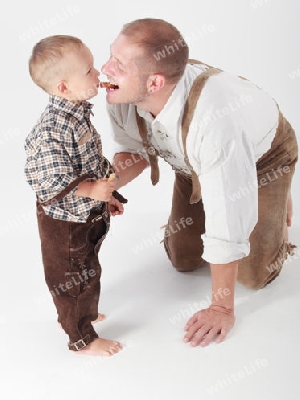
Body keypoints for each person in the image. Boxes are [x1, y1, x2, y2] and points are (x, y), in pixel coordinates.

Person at [101, 18, 298, 348]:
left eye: (118, 64)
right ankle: (214, 179)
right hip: (192, 160)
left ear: (154, 83)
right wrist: (104, 186)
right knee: (183, 259)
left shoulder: (216, 124)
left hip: (264, 159)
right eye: (111, 56)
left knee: (254, 274)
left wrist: (222, 307)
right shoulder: (123, 95)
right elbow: (134, 150)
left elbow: (228, 220)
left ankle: (278, 192)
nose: (105, 68)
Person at [25, 35, 126, 356]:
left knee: (88, 269)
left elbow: (91, 160)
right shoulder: (53, 129)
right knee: (73, 278)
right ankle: (81, 338)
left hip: (85, 213)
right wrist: (91, 190)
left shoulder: (77, 113)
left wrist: (108, 196)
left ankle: (80, 315)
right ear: (64, 87)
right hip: (65, 222)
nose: (98, 75)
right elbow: (49, 179)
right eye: (89, 71)